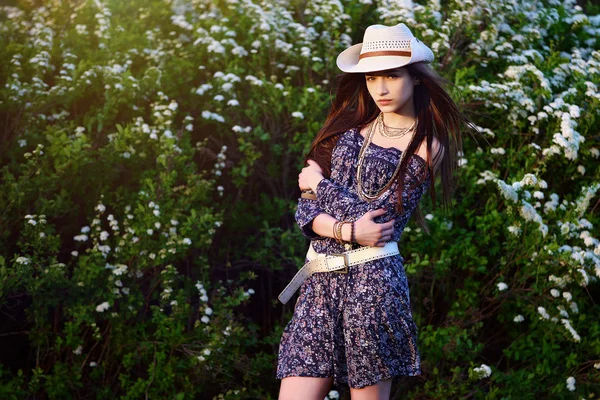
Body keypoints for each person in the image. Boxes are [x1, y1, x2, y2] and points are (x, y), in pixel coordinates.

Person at [276, 22, 471, 400]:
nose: (380, 88)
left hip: (374, 286)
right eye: (371, 78)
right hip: (319, 280)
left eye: (392, 76)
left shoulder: (427, 146)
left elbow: (377, 221)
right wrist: (346, 230)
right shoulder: (346, 127)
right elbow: (305, 211)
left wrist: (319, 185)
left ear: (415, 79)